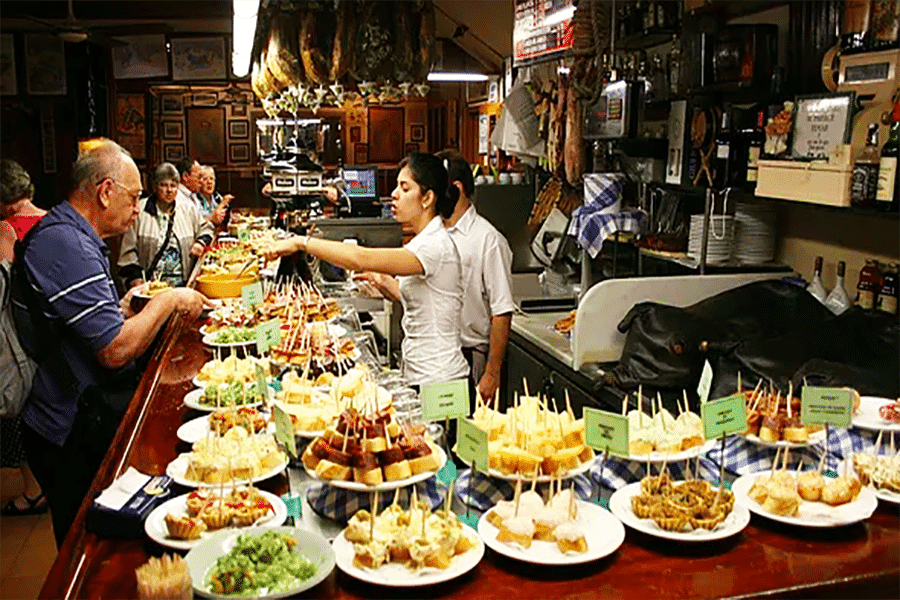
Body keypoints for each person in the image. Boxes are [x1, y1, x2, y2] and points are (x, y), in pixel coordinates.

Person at [13, 141, 210, 546]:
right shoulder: (64, 243)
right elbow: (114, 350)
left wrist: (121, 310)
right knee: (86, 542)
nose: (138, 209)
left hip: (76, 410)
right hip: (66, 422)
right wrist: (169, 299)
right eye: (134, 197)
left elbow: (85, 323)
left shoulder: (73, 234)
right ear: (104, 192)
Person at [263, 152, 468, 386]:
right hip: (422, 372)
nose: (394, 194)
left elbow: (361, 258)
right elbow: (422, 298)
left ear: (427, 198)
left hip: (441, 381)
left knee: (433, 425)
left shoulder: (435, 245)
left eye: (405, 188)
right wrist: (381, 281)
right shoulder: (424, 241)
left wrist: (301, 242)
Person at [437, 152, 514, 403]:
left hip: (471, 358)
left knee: (467, 436)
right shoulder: (435, 233)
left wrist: (492, 374)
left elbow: (501, 311)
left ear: (455, 189)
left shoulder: (488, 241)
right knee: (438, 437)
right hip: (440, 357)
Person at [0, 159, 48, 516]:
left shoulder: (5, 232)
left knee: (19, 413)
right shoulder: (55, 223)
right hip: (55, 337)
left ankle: (33, 488)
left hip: (17, 340)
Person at [118, 162, 215, 289]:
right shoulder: (139, 212)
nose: (169, 190)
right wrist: (136, 280)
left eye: (173, 186)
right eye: (163, 185)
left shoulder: (188, 209)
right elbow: (127, 254)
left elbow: (207, 228)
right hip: (151, 288)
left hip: (183, 286)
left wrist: (200, 243)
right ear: (155, 187)